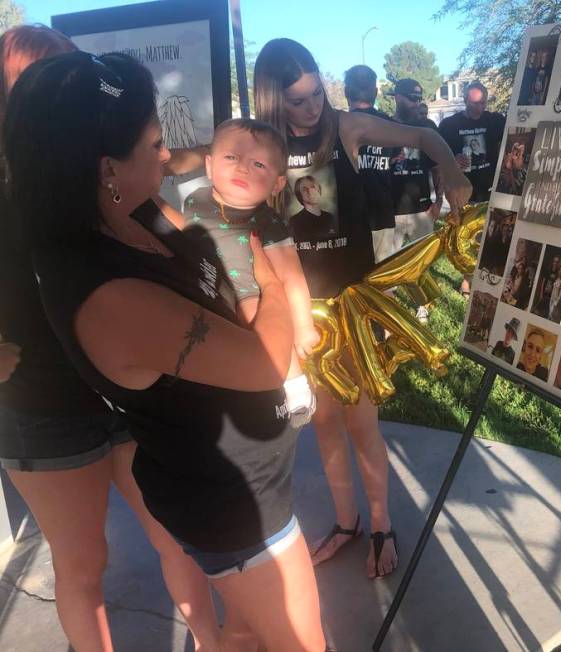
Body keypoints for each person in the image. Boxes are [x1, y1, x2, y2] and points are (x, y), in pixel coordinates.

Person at [6, 51, 325, 651]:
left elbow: (216, 273)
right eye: (154, 143)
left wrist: (253, 289)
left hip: (248, 483)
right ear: (106, 167)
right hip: (233, 505)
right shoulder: (110, 294)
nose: (165, 156)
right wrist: (277, 282)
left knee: (248, 634)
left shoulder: (135, 212)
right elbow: (261, 364)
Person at [0, 28, 220, 652]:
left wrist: (248, 248)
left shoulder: (103, 175)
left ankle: (213, 641)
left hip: (129, 394)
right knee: (83, 565)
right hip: (42, 408)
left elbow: (188, 240)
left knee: (175, 532)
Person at [253, 39, 471, 578]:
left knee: (361, 423)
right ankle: (346, 522)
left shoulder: (345, 128)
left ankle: (380, 525)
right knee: (325, 422)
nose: (311, 109)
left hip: (352, 304)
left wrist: (450, 169)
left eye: (315, 95)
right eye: (297, 101)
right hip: (304, 310)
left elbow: (423, 135)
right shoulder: (265, 143)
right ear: (273, 100)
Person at [166, 118, 318, 425]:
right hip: (203, 286)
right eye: (231, 157)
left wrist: (303, 325)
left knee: (251, 312)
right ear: (209, 166)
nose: (242, 168)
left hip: (247, 291)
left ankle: (295, 385)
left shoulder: (267, 222)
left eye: (259, 164)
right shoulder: (195, 201)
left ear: (277, 183)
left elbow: (292, 275)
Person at [387, 77, 443, 322]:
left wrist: (439, 200)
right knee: (389, 265)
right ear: (398, 97)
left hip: (422, 209)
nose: (416, 103)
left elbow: (438, 167)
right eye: (412, 98)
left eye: (419, 98)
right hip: (390, 211)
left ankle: (422, 305)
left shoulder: (428, 127)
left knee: (420, 262)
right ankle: (390, 312)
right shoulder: (383, 126)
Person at [344, 64, 396, 263]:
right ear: (375, 92)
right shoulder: (390, 125)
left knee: (352, 280)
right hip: (381, 212)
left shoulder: (337, 125)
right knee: (382, 280)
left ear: (346, 91)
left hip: (348, 218)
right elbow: (395, 157)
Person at [437, 82, 505, 204]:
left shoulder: (495, 120)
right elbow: (436, 161)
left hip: (493, 194)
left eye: (483, 103)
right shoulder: (448, 125)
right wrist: (451, 162)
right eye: (474, 103)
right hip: (463, 195)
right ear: (465, 100)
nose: (479, 108)